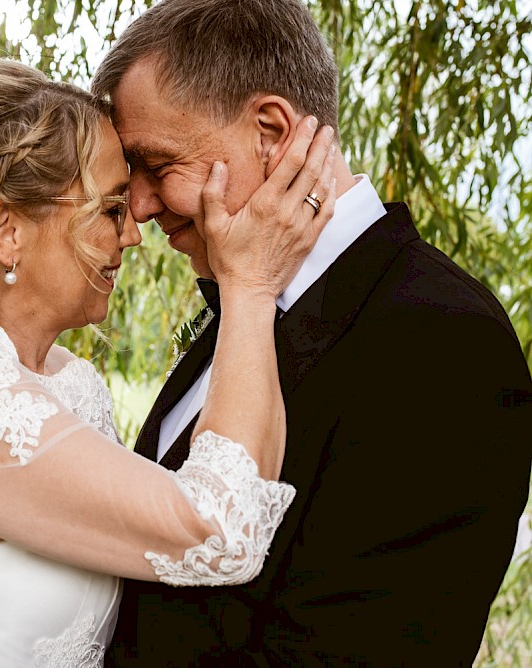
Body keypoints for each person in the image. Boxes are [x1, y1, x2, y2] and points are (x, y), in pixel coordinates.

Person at [0, 56, 336, 666]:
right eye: (109, 209)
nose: (133, 234)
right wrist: (252, 288)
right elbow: (220, 531)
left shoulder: (71, 382)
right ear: (8, 232)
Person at [91, 1, 532, 665]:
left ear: (269, 130)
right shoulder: (246, 297)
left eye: (157, 164)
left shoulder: (441, 341)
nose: (143, 206)